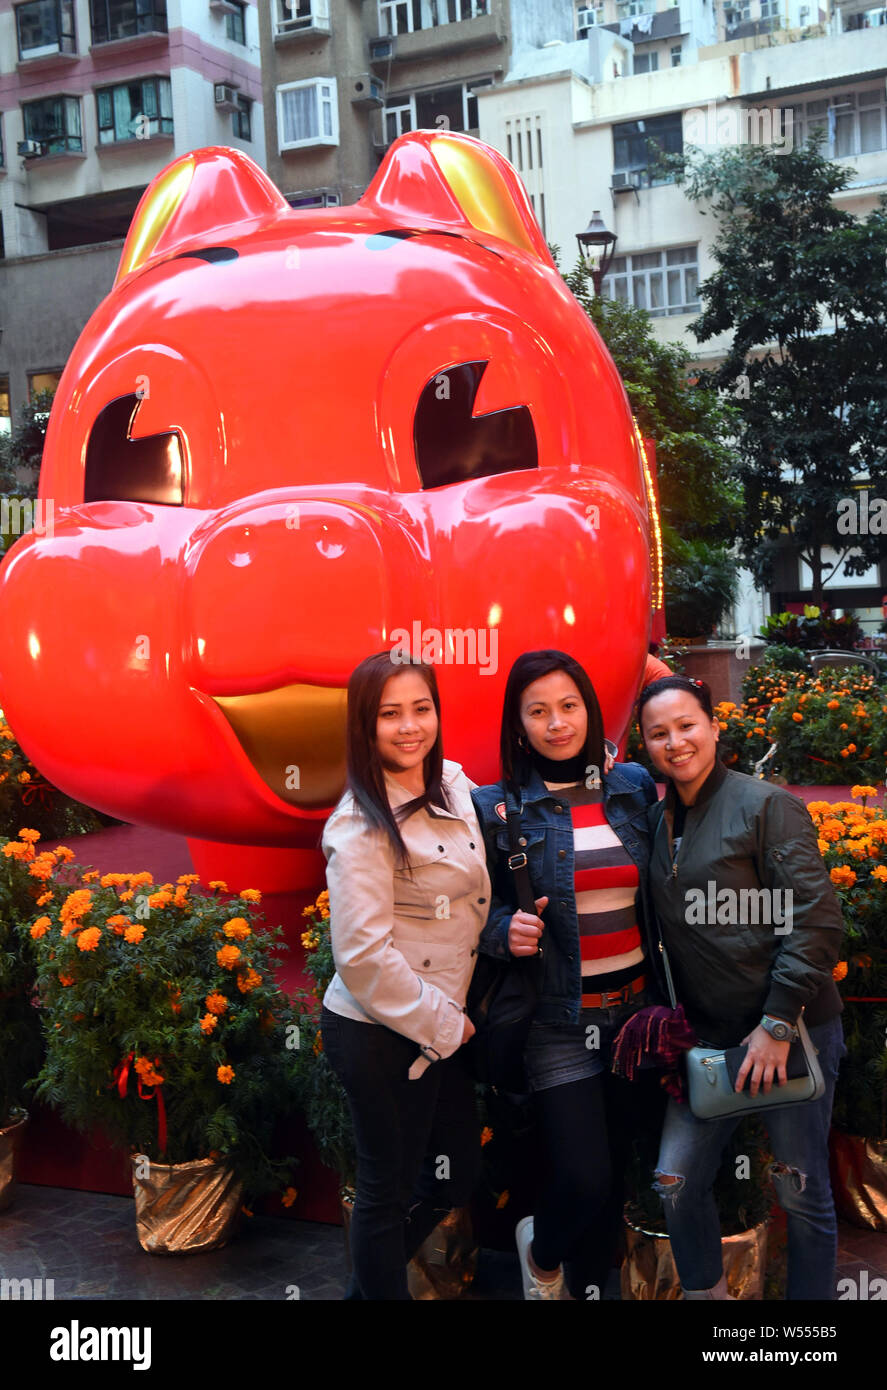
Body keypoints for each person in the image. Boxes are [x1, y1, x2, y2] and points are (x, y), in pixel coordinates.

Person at [637, 674, 845, 1301]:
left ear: (714, 726)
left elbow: (813, 918)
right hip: (709, 1042)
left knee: (800, 1193)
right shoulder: (656, 818)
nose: (675, 742)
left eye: (687, 725)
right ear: (644, 745)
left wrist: (778, 1024)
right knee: (675, 1181)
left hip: (791, 1032)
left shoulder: (764, 805)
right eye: (658, 733)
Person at [472, 649, 667, 1300]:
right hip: (559, 1019)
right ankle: (542, 1254)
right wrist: (505, 932)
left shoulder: (630, 788)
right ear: (517, 724)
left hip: (636, 1016)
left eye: (568, 706)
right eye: (538, 711)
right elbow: (472, 911)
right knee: (581, 1175)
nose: (556, 723)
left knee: (610, 1181)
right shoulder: (496, 807)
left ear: (589, 710)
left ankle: (587, 1286)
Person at [319, 650, 490, 1300]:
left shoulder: (454, 783)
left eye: (421, 708)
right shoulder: (359, 826)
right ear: (365, 727)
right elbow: (362, 959)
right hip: (378, 1034)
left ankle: (367, 1289)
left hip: (437, 1027)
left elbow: (484, 878)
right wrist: (446, 1026)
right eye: (390, 714)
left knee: (453, 1175)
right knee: (385, 1190)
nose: (409, 725)